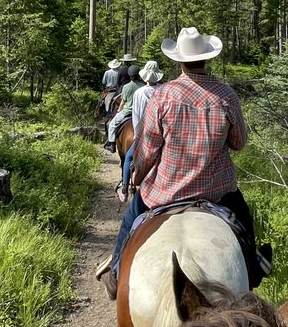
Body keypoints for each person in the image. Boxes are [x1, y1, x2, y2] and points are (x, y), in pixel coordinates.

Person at [98, 27, 268, 299]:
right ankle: (254, 264)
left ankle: (116, 270)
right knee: (244, 218)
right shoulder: (226, 96)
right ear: (207, 59)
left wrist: (138, 176)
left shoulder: (163, 95)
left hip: (166, 190)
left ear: (179, 60)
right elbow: (238, 143)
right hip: (218, 192)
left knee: (132, 216)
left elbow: (148, 150)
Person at [118, 60, 163, 198]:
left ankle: (124, 188)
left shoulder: (140, 92)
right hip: (162, 134)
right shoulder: (163, 89)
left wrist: (138, 136)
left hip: (145, 133)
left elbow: (136, 115)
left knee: (129, 157)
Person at [104, 63, 142, 151]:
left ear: (130, 76)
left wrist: (118, 110)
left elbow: (122, 102)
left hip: (127, 112)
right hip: (140, 112)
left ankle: (111, 144)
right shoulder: (142, 86)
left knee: (112, 124)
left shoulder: (126, 86)